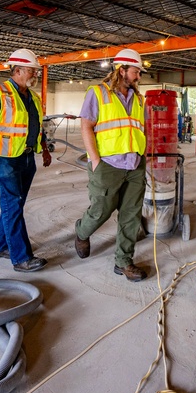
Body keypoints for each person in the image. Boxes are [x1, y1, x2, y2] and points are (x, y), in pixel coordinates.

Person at [0, 49, 52, 273]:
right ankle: (21, 258)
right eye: (31, 70)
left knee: (13, 205)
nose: (35, 74)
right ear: (17, 70)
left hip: (26, 157)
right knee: (13, 204)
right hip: (5, 158)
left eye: (35, 70)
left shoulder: (33, 97)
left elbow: (37, 128)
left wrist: (44, 149)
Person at [73, 48, 149, 282]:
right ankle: (82, 231)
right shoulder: (97, 93)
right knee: (100, 211)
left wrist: (145, 155)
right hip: (107, 163)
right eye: (135, 72)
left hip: (135, 163)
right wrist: (94, 159)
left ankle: (123, 262)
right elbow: (86, 126)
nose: (138, 77)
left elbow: (138, 129)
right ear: (121, 70)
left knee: (131, 215)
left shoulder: (138, 98)